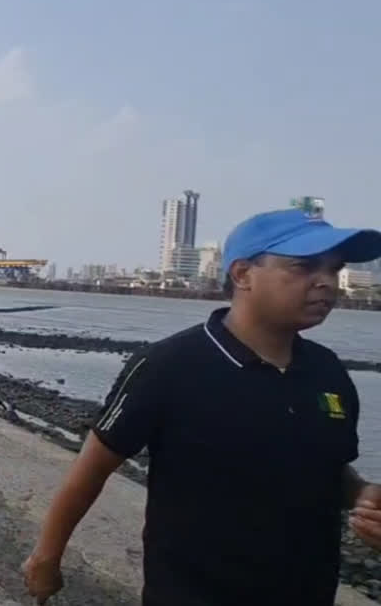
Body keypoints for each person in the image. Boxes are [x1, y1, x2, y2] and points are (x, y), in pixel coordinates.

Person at [22, 208, 381, 606]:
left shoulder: (327, 371)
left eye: (334, 269)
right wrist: (46, 558)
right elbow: (92, 468)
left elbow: (326, 467)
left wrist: (363, 492)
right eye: (304, 266)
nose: (326, 283)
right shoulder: (169, 365)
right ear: (243, 274)